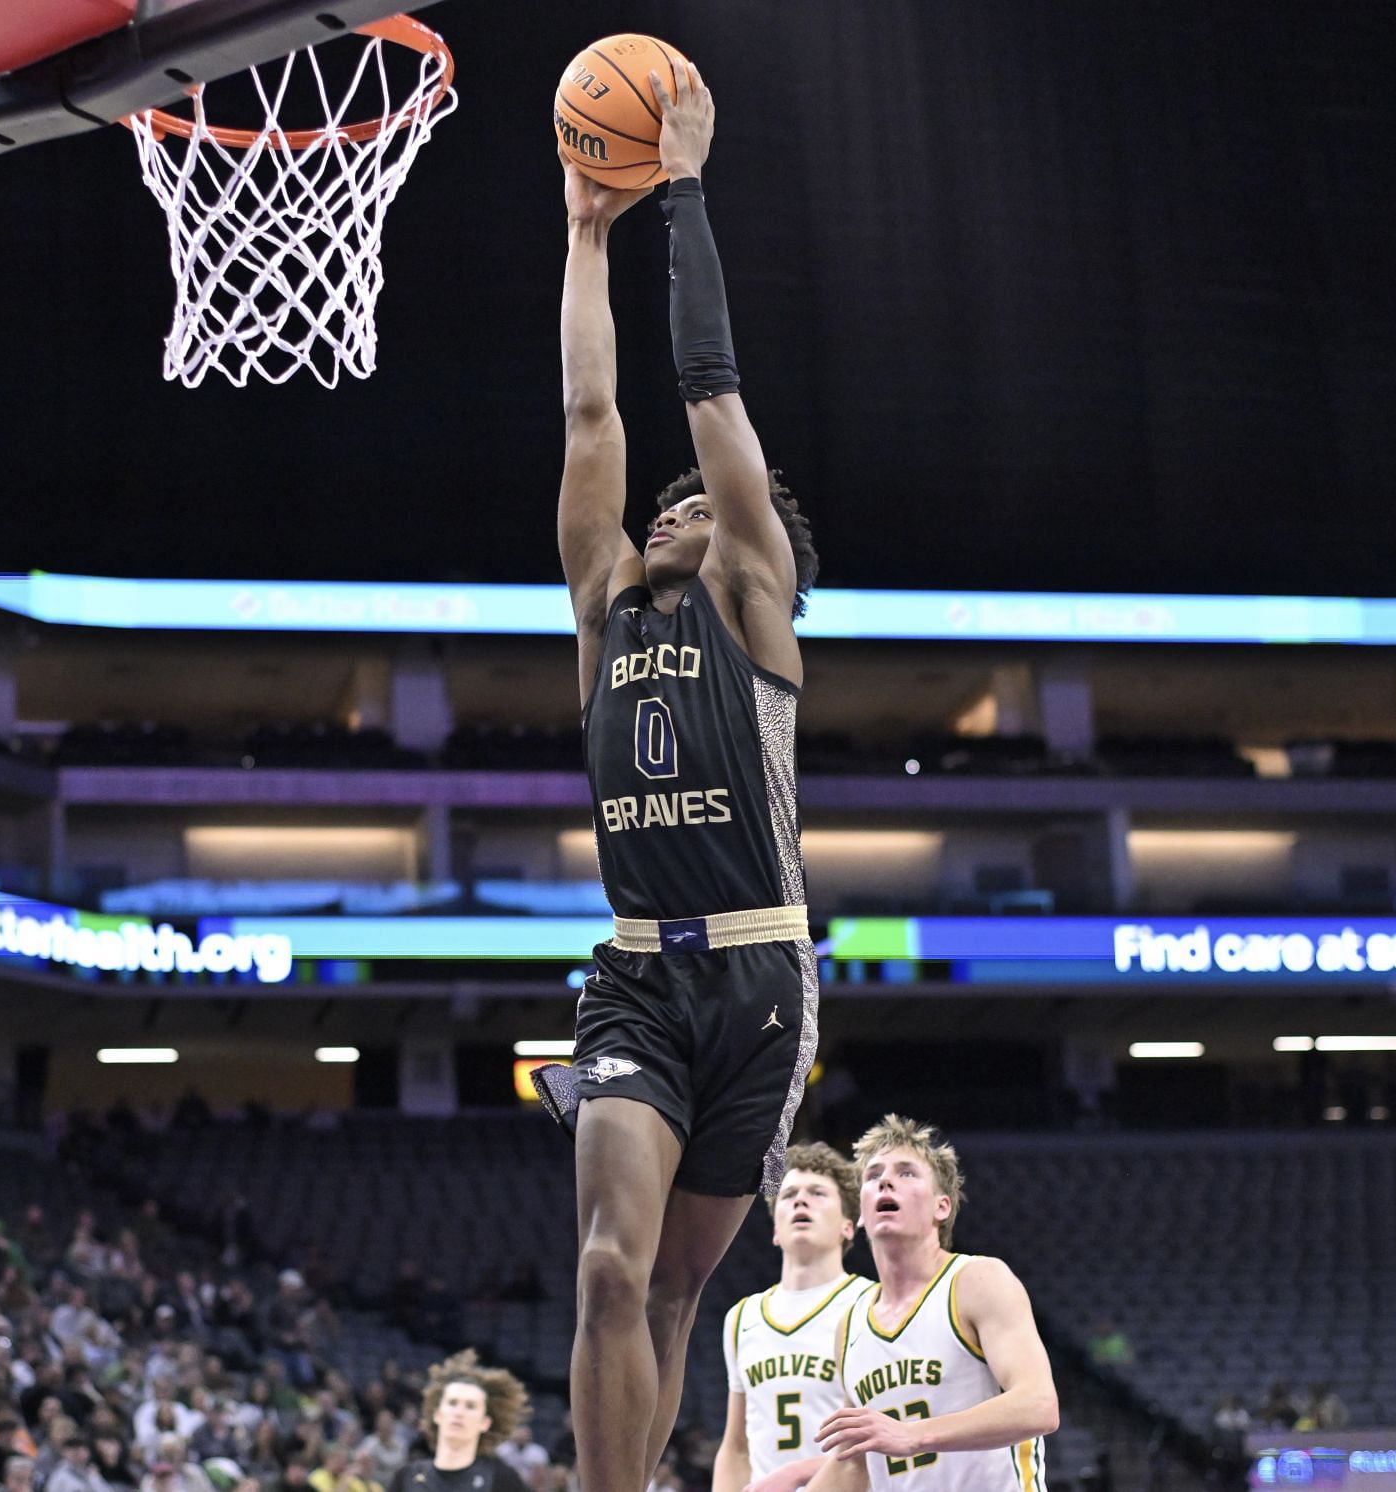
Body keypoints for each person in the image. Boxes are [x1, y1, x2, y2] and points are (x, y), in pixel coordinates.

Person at [534, 52, 821, 1492]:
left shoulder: (753, 604)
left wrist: (686, 188)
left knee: (668, 1296)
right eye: (670, 500)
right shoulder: (606, 609)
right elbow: (599, 421)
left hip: (765, 984)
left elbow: (708, 389)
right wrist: (588, 232)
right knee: (603, 1273)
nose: (677, 501)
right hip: (640, 974)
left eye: (702, 501)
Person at [804, 1115, 1057, 1490]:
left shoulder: (977, 1280)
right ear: (859, 1213)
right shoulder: (851, 1324)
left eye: (907, 1173)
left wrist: (914, 1435)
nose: (885, 1181)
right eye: (873, 1176)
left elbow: (1038, 1405)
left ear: (942, 1206)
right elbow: (853, 1463)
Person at [713, 1145, 872, 1492]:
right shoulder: (742, 1318)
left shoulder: (871, 1304)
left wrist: (798, 1474)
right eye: (788, 1195)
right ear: (775, 1231)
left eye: (817, 1193)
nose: (801, 1202)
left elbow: (884, 1442)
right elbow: (737, 1447)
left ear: (848, 1225)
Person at [388, 1353, 529, 1492]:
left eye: (470, 1406)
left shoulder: (502, 1480)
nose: (459, 1412)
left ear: (485, 1423)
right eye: (452, 1403)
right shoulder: (406, 1477)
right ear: (437, 1415)